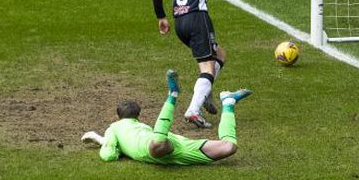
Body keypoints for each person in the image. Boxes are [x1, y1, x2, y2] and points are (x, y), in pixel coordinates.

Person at [153, 0, 253, 129]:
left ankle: (205, 93)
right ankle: (193, 110)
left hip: (180, 23)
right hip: (197, 20)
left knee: (220, 54)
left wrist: (161, 17)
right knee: (206, 67)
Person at [81, 70, 250, 165]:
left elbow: (109, 155)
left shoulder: (114, 128)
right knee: (229, 147)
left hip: (157, 146)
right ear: (138, 116)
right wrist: (98, 139)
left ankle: (173, 95)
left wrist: (100, 140)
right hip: (177, 145)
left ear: (117, 116)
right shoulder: (141, 126)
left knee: (157, 145)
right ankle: (228, 102)